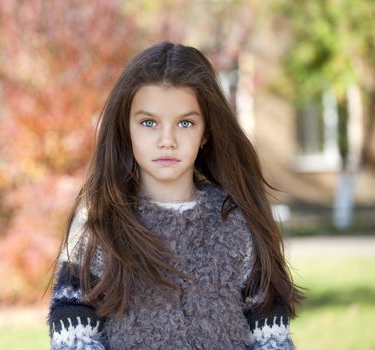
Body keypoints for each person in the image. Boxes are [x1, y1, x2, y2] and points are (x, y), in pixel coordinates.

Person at [46, 41, 304, 349]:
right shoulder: (100, 218)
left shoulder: (235, 220)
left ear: (206, 131)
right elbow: (72, 329)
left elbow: (270, 332)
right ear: (125, 128)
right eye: (149, 122)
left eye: (185, 123)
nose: (167, 140)